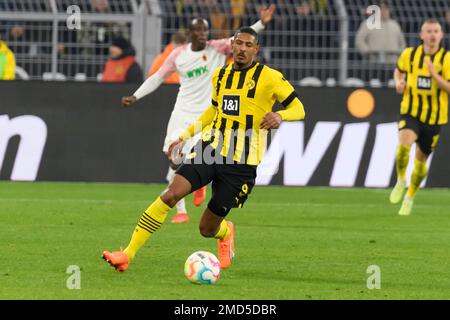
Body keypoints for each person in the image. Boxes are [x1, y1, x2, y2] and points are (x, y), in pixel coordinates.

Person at [102, 26, 306, 272]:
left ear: (256, 49)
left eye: (248, 45)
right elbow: (214, 111)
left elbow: (299, 109)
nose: (242, 49)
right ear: (232, 46)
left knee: (206, 229)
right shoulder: (220, 75)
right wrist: (184, 135)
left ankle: (224, 232)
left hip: (241, 162)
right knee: (171, 194)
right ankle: (127, 254)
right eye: (238, 43)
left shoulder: (270, 77)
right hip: (210, 148)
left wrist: (280, 116)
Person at [120, 5, 276, 224]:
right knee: (173, 156)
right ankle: (182, 210)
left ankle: (191, 198)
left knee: (200, 157)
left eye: (205, 30)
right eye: (199, 31)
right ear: (190, 33)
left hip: (209, 113)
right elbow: (158, 77)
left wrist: (262, 23)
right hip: (182, 110)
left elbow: (241, 39)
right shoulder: (179, 54)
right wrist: (136, 96)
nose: (203, 34)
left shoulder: (217, 49)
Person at [390, 18, 450, 216]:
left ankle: (410, 197)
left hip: (433, 119)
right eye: (429, 31)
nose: (432, 35)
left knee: (420, 164)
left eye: (436, 31)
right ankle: (400, 180)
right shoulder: (410, 54)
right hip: (411, 111)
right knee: (403, 149)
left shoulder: (446, 60)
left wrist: (434, 74)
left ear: (441, 35)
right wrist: (399, 83)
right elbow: (398, 71)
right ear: (421, 35)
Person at [355, 0, 406, 64]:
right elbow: (359, 40)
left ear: (390, 10)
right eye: (381, 8)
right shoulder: (368, 23)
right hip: (374, 63)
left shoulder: (395, 25)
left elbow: (402, 42)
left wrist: (398, 53)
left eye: (386, 8)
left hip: (393, 63)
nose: (383, 11)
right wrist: (368, 53)